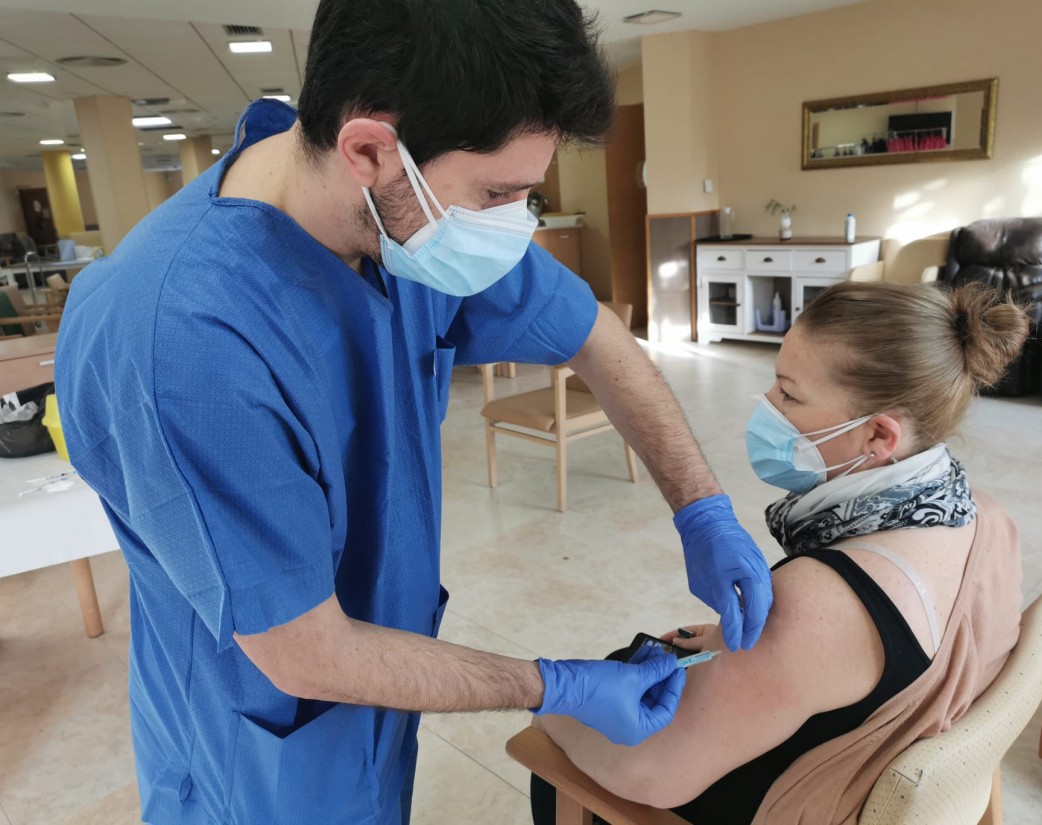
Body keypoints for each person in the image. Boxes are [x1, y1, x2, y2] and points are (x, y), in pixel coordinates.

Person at [54, 1, 773, 822]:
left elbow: (593, 334)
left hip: (374, 705)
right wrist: (552, 685)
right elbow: (305, 652)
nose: (513, 222)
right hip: (252, 757)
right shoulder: (184, 340)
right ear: (368, 149)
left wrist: (702, 508)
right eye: (499, 192)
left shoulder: (407, 222)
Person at [533, 281, 1029, 825]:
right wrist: (773, 661)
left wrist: (552, 701)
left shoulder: (821, 600)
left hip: (803, 800)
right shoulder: (988, 516)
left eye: (789, 395)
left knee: (561, 745)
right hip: (876, 751)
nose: (766, 406)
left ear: (878, 436)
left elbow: (648, 774)